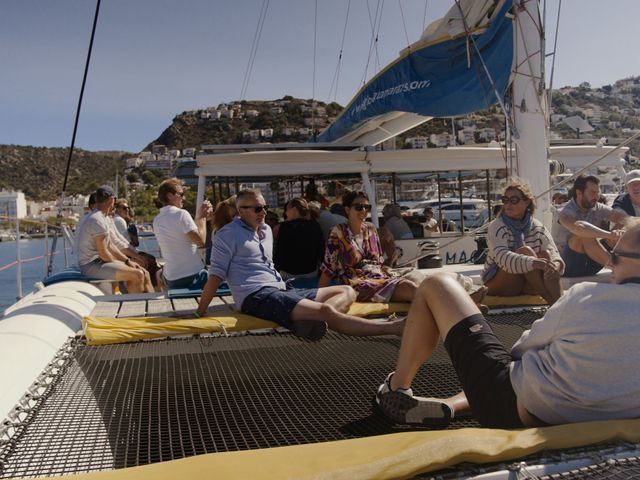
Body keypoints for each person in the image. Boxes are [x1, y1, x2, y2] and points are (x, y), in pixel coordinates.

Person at [375, 218, 640, 429]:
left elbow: (520, 351)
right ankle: (452, 406)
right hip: (601, 416)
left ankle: (396, 388)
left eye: (615, 256)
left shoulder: (586, 297)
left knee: (437, 285)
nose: (609, 261)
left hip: (514, 410)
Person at [195, 189, 405, 340]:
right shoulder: (227, 234)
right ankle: (393, 328)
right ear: (241, 211)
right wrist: (200, 311)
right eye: (258, 209)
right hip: (256, 296)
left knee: (348, 291)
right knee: (325, 310)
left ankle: (313, 321)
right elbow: (216, 275)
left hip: (281, 288)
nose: (264, 212)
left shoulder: (266, 230)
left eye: (265, 207)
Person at [319, 191, 418, 302]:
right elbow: (328, 268)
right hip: (359, 285)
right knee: (410, 288)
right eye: (359, 207)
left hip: (379, 278)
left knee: (416, 279)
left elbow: (378, 263)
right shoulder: (339, 232)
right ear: (347, 210)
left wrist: (390, 270)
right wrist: (319, 302)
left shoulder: (370, 229)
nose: (364, 211)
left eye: (367, 207)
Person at [481, 180, 564, 305]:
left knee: (546, 255)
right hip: (499, 283)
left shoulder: (537, 227)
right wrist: (535, 263)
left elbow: (553, 252)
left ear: (526, 202)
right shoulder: (497, 226)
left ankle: (559, 303)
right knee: (525, 251)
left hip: (527, 282)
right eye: (505, 200)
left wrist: (555, 265)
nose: (508, 204)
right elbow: (503, 258)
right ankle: (555, 304)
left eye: (514, 200)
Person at [76, 185, 152, 293]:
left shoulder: (102, 218)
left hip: (99, 262)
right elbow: (103, 253)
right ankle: (135, 307)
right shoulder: (96, 220)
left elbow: (110, 245)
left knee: (143, 271)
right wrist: (124, 264)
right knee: (137, 274)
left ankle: (148, 303)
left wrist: (127, 261)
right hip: (91, 266)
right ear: (112, 200)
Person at [554, 175, 627, 277]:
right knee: (583, 234)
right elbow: (579, 228)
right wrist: (610, 235)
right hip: (569, 267)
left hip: (591, 263)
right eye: (593, 193)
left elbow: (626, 219)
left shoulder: (597, 207)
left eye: (598, 193)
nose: (596, 197)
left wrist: (617, 232)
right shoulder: (563, 211)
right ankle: (619, 268)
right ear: (579, 193)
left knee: (622, 226)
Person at [153, 178, 212, 289]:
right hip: (192, 276)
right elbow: (201, 241)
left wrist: (199, 219)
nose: (183, 198)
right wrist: (202, 218)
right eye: (181, 194)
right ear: (170, 195)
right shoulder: (181, 214)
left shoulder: (157, 220)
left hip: (171, 279)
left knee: (159, 274)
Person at [273, 197, 325, 279]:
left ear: (294, 209)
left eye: (287, 209)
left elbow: (279, 251)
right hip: (310, 272)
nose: (285, 213)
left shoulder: (285, 227)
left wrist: (276, 271)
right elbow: (321, 250)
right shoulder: (314, 225)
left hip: (288, 274)